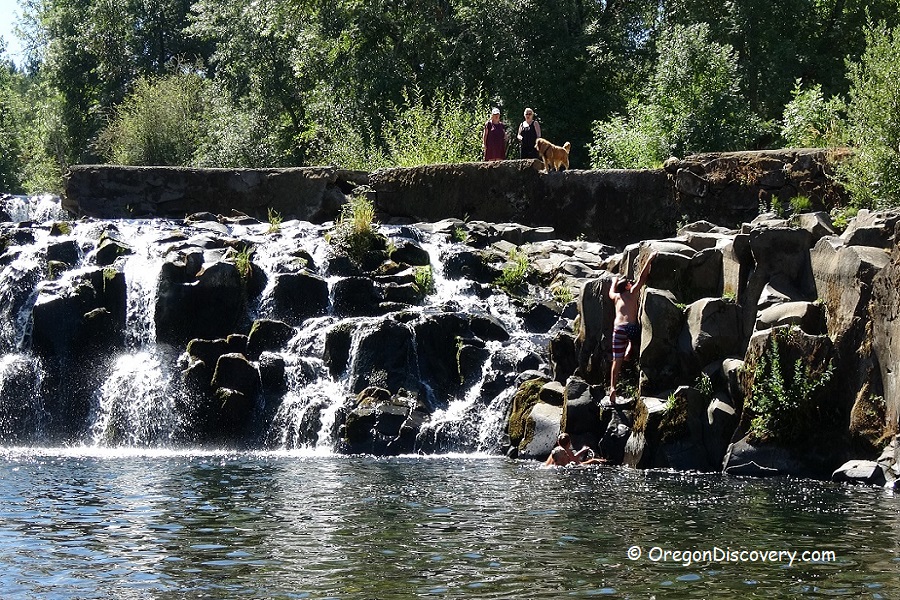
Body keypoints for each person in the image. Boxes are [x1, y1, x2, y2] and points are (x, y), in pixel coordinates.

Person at [608, 251, 658, 404]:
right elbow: (642, 278)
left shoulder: (616, 297)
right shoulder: (632, 292)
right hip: (630, 328)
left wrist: (614, 281)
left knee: (616, 360)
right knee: (638, 336)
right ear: (628, 286)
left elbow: (611, 290)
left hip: (617, 329)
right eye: (630, 282)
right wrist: (649, 259)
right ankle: (631, 346)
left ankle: (612, 387)